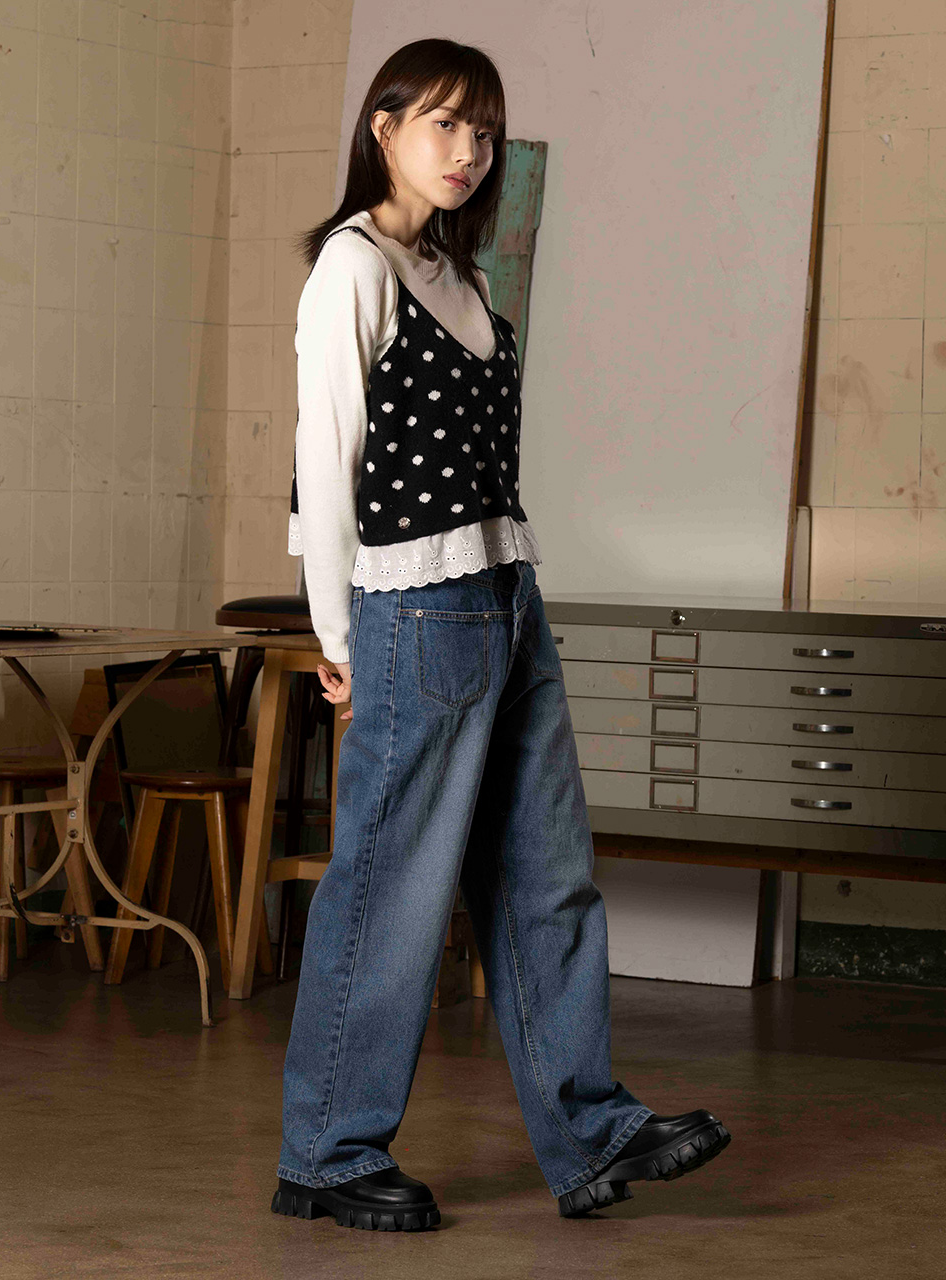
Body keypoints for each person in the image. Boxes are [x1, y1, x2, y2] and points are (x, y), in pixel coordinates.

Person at [273, 37, 731, 1233]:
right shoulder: (351, 267)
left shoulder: (459, 276)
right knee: (393, 888)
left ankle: (592, 1129)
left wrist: (513, 600)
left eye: (484, 132)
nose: (469, 151)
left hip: (506, 595)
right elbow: (325, 464)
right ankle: (327, 1150)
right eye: (444, 125)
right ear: (383, 128)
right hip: (413, 607)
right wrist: (337, 636)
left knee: (548, 876)